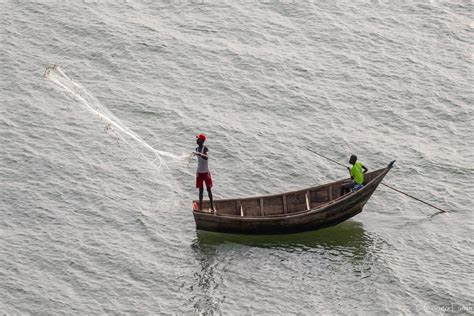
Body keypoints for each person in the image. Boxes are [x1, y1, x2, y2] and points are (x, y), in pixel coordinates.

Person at [193, 133, 214, 211]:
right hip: (199, 172)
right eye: (197, 139)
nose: (197, 140)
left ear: (202, 141)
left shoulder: (205, 149)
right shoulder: (196, 149)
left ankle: (212, 208)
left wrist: (199, 154)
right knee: (200, 191)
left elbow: (206, 157)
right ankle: (201, 209)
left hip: (206, 173)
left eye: (198, 139)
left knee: (209, 190)